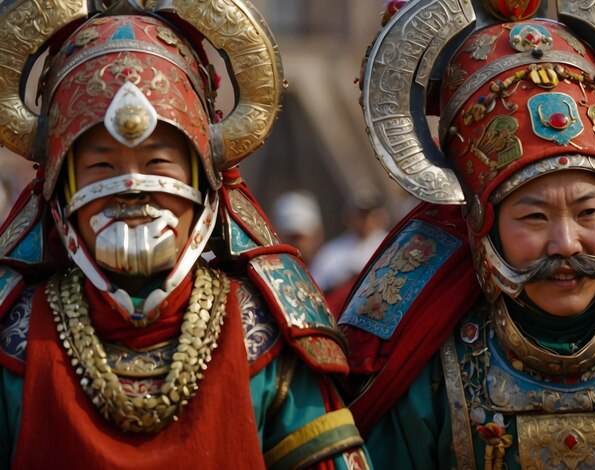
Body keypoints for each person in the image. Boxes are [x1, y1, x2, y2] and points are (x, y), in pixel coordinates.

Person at [0, 1, 371, 468]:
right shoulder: (13, 337)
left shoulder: (265, 335)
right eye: (101, 166)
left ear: (201, 183)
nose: (133, 188)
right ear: (60, 187)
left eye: (157, 163)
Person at [339, 0, 595, 468]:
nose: (566, 243)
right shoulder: (430, 368)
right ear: (479, 223)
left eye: (588, 212)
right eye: (534, 218)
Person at [271, 190, 325, 265]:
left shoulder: (333, 269)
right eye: (290, 237)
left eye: (300, 237)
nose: (296, 245)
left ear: (317, 235)